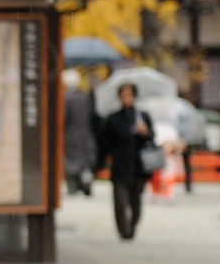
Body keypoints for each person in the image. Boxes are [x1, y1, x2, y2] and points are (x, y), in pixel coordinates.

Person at [95, 81, 155, 239]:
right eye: (123, 95)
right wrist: (99, 164)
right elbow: (104, 143)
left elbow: (152, 141)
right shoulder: (113, 118)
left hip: (138, 167)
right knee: (120, 202)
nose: (126, 99)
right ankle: (124, 230)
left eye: (129, 95)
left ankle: (132, 225)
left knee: (136, 202)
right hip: (119, 166)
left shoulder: (143, 116)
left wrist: (145, 132)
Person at [63, 71, 97, 195]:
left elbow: (64, 118)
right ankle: (87, 184)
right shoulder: (85, 97)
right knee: (85, 163)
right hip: (86, 135)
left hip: (70, 135)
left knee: (71, 164)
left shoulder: (66, 98)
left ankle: (73, 187)